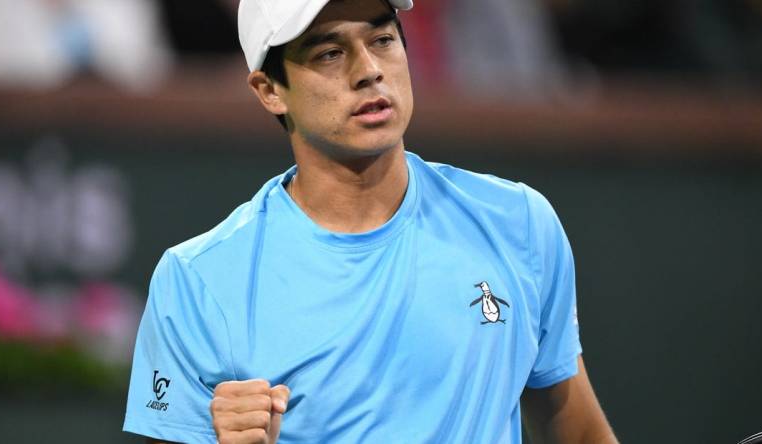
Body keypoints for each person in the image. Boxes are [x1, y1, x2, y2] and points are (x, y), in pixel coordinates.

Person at [123, 0, 619, 442]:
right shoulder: (195, 280)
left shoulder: (519, 222)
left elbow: (574, 429)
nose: (369, 70)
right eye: (329, 54)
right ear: (270, 90)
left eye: (382, 39)